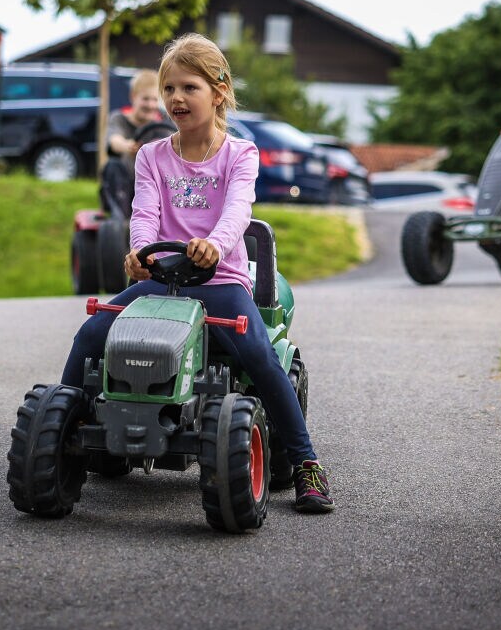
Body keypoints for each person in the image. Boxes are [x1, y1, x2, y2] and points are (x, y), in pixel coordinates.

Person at [61, 33, 335, 513]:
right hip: (161, 282)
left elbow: (236, 213)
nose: (176, 99)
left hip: (220, 283)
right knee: (91, 335)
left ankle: (306, 462)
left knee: (259, 357)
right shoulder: (152, 155)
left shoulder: (240, 155)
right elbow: (144, 213)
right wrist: (140, 250)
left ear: (219, 91)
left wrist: (215, 244)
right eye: (169, 89)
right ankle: (68, 436)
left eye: (189, 87)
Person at [101, 69, 165, 219]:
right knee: (112, 165)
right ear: (133, 97)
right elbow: (114, 140)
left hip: (153, 188)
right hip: (126, 185)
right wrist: (127, 145)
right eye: (146, 99)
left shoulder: (163, 124)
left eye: (155, 100)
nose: (150, 105)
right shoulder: (119, 119)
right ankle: (123, 223)